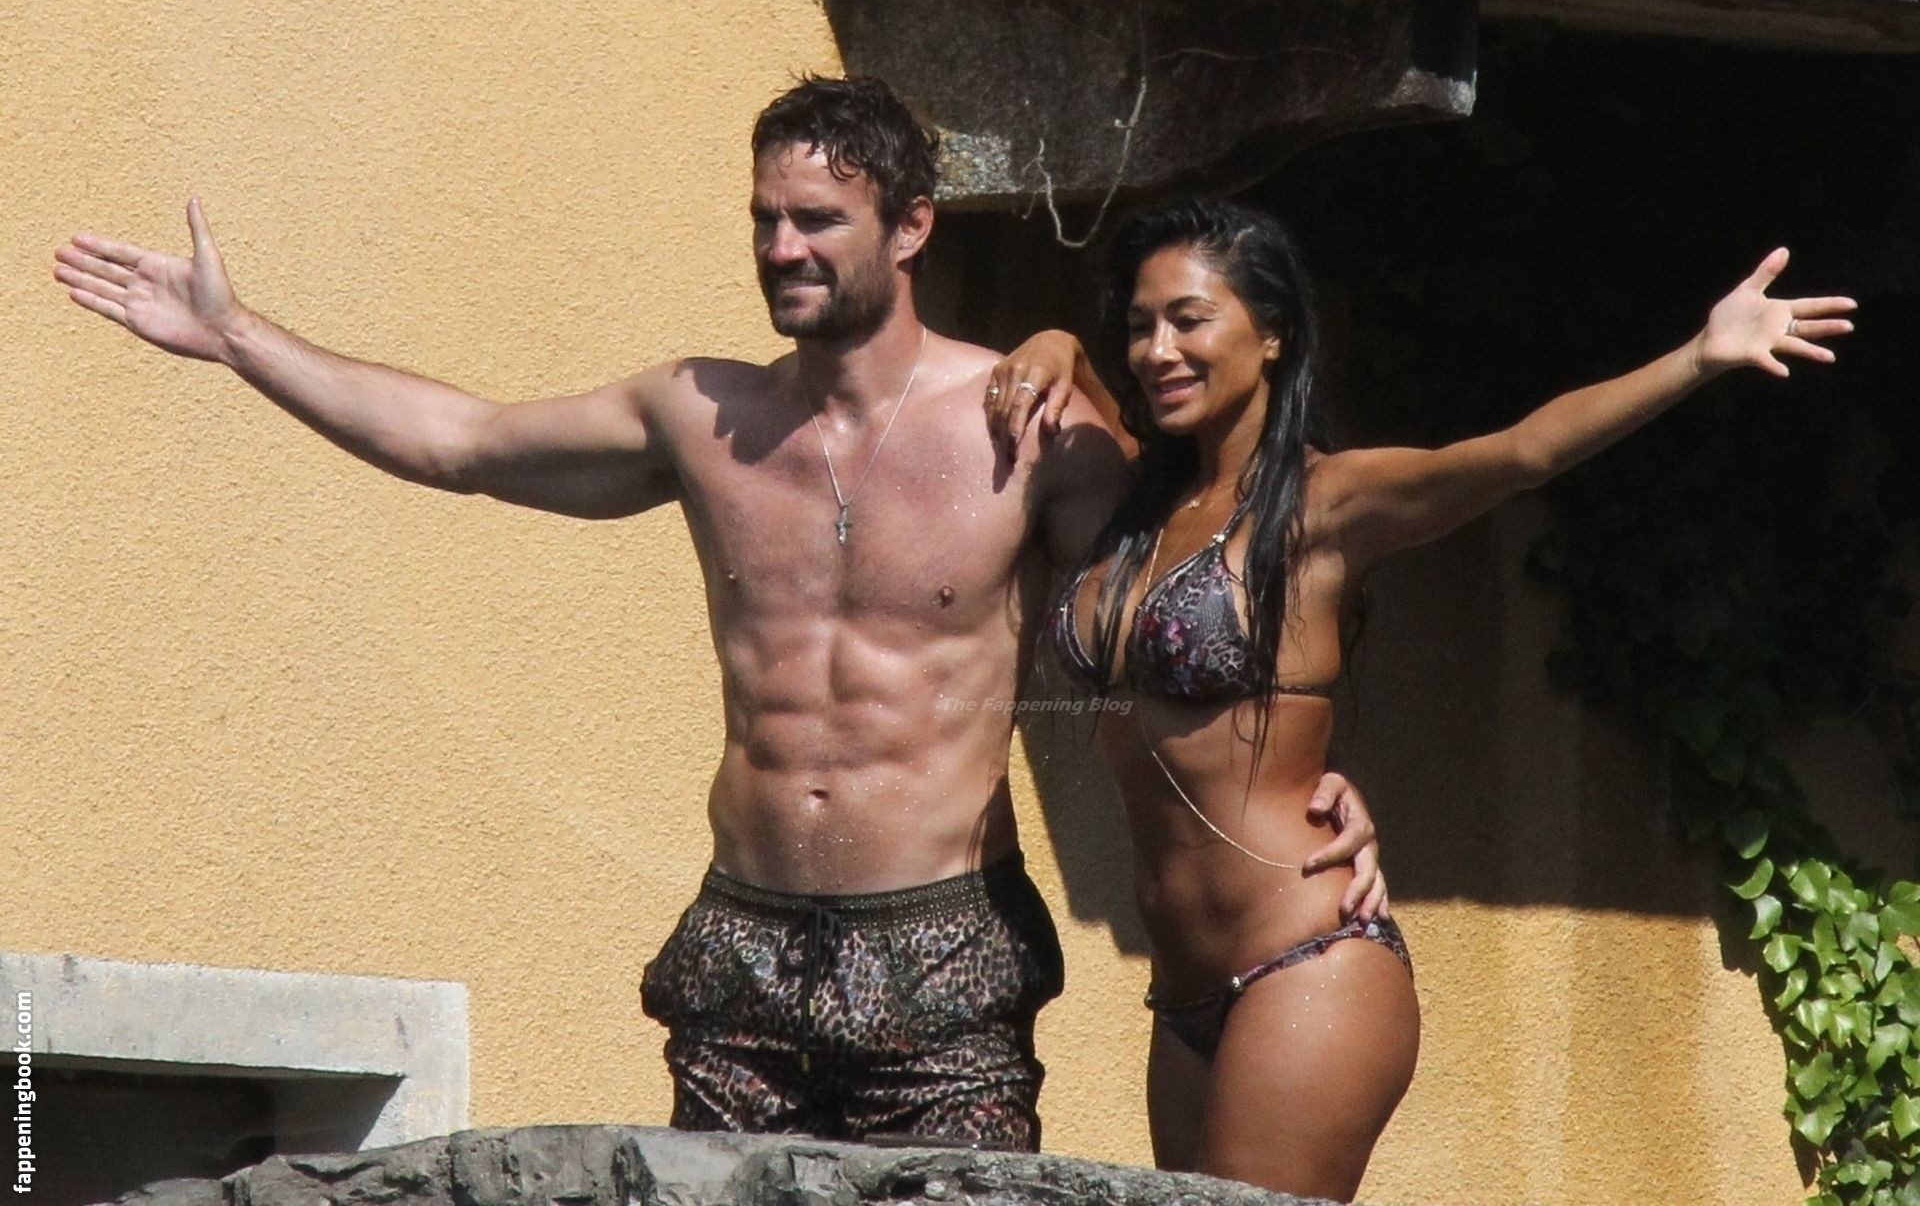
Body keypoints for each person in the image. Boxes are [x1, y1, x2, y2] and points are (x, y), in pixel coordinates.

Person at [50, 78, 1391, 1151]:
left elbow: (1205, 597)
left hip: (946, 954)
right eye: (765, 218)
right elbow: (460, 441)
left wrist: (1310, 791)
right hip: (743, 948)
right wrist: (239, 338)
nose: (781, 247)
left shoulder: (1026, 428)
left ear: (911, 228)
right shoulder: (701, 415)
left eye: (818, 220)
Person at [984, 197, 1856, 1197]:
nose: (1159, 349)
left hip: (1304, 963)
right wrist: (1061, 345)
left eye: (1190, 319)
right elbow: (1100, 400)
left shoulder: (1325, 504)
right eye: (1140, 325)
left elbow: (1520, 453)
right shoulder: (1142, 504)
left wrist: (1699, 356)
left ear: (1272, 334)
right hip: (1183, 998)